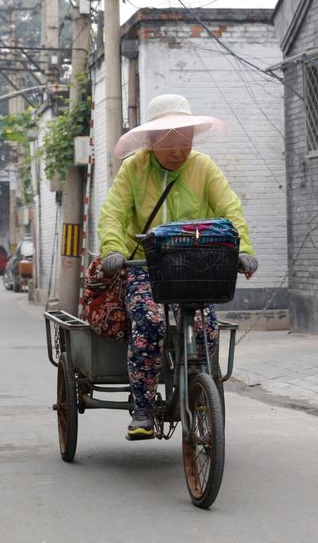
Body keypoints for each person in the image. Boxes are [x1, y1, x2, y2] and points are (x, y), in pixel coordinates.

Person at [98, 93, 258, 440]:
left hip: (195, 265)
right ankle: (143, 406)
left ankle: (201, 389)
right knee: (150, 323)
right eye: (169, 143)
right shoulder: (134, 169)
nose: (178, 151)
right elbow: (113, 214)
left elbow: (230, 209)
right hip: (144, 266)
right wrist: (113, 250)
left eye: (184, 141)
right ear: (152, 141)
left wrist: (243, 248)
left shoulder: (203, 166)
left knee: (207, 328)